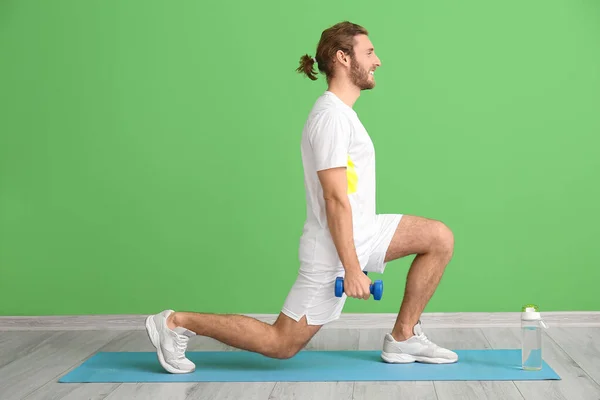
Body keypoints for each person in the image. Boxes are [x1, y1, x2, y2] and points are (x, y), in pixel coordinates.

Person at [145, 20, 458, 374]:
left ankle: (403, 338)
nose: (378, 61)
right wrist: (353, 269)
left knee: (438, 237)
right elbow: (335, 199)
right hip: (332, 250)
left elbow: (349, 195)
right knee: (281, 343)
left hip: (364, 231)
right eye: (369, 52)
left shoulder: (344, 115)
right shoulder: (330, 118)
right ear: (342, 57)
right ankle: (173, 322)